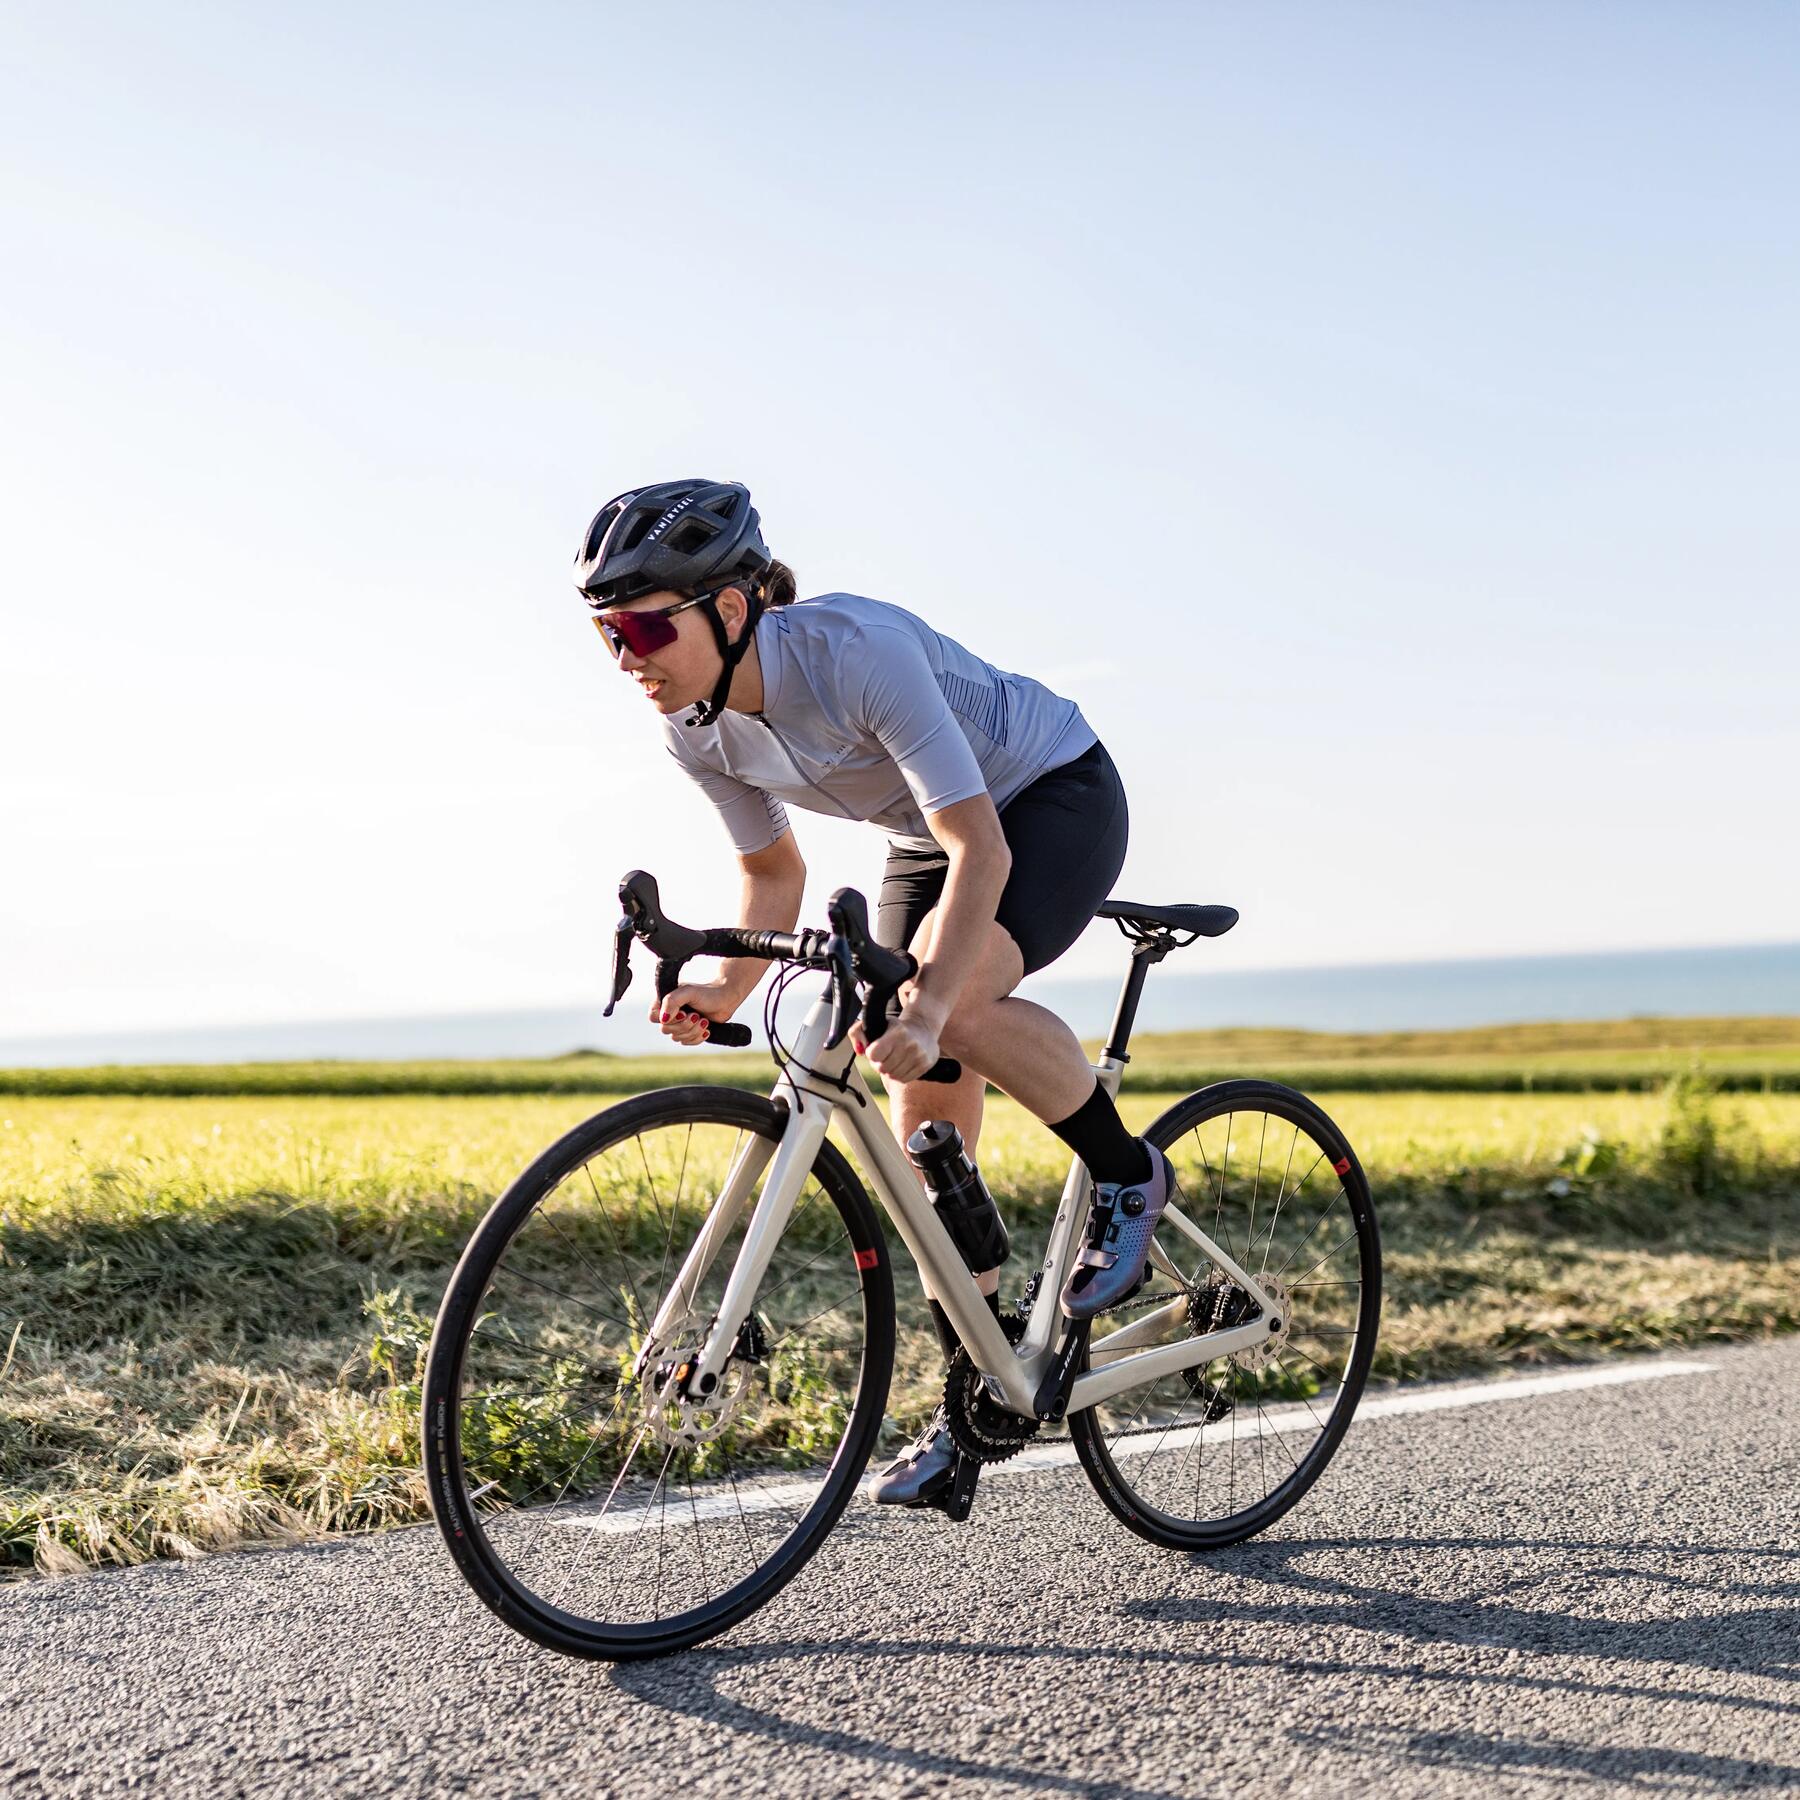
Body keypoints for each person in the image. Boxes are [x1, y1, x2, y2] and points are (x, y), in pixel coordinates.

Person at [576, 478, 1175, 1505]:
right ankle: (980, 1395)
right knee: (923, 1127)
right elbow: (775, 878)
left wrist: (936, 1002)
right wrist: (723, 989)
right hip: (923, 838)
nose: (627, 657)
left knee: (954, 1009)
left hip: (1046, 798)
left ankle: (1128, 1176)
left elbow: (977, 842)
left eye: (641, 626)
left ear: (729, 610)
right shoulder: (693, 725)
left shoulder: (856, 655)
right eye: (606, 635)